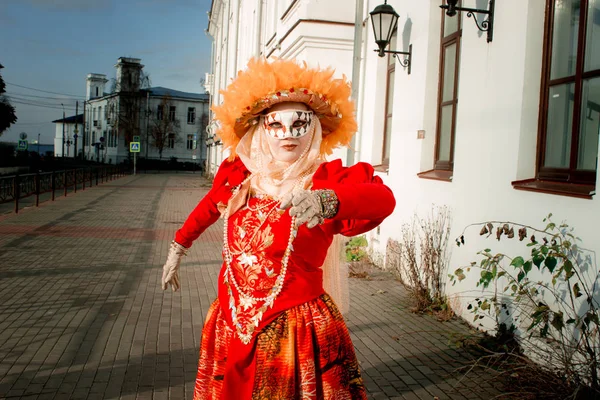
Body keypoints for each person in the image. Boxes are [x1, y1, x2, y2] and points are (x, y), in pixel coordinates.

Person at [161, 58, 396, 400]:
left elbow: (382, 199)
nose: (287, 134)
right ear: (261, 129)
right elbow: (208, 208)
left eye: (299, 124)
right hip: (230, 320)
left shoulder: (326, 180)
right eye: (276, 124)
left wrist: (329, 200)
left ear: (314, 128)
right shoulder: (240, 178)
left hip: (294, 332)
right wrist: (177, 248)